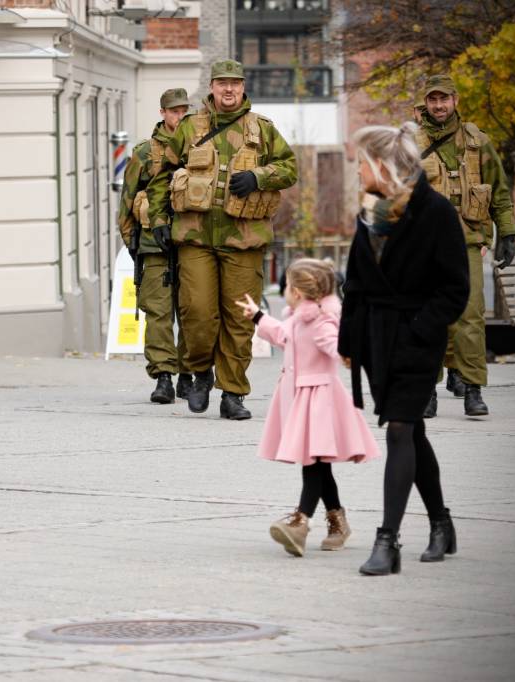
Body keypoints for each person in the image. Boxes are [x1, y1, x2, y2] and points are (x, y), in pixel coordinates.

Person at [339, 123, 469, 576]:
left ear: (381, 164)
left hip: (415, 339)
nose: (357, 170)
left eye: (361, 162)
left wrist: (420, 327)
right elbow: (354, 281)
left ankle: (387, 541)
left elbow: (456, 288)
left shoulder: (435, 211)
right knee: (411, 432)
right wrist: (348, 340)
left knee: (399, 429)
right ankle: (441, 522)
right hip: (376, 338)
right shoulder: (370, 212)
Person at [146, 59, 297, 420]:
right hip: (195, 238)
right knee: (197, 313)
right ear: (211, 87)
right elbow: (160, 176)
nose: (228, 90)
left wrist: (259, 177)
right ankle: (200, 372)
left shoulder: (262, 129)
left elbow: (290, 167)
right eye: (221, 84)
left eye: (235, 84)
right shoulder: (189, 128)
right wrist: (159, 219)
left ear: (243, 87)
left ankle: (232, 393)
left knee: (238, 319)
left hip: (244, 239)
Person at [237, 259, 379, 557]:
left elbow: (336, 345)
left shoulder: (322, 321)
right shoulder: (298, 318)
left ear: (298, 292)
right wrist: (258, 317)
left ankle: (300, 523)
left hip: (320, 401)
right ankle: (338, 522)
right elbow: (283, 336)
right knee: (317, 465)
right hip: (300, 399)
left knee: (313, 464)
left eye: (287, 286)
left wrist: (349, 350)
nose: (285, 291)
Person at [416, 75, 515, 418]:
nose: (439, 105)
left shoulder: (477, 142)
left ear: (456, 100)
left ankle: (473, 389)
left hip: (467, 242)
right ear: (425, 103)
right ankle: (427, 390)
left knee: (470, 316)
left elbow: (499, 192)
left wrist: (508, 233)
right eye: (433, 100)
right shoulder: (410, 143)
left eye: (444, 99)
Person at [117, 88, 191, 403]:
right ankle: (163, 375)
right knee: (158, 312)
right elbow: (127, 201)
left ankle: (189, 373)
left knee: (193, 311)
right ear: (163, 113)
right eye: (174, 111)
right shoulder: (145, 153)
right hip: (153, 245)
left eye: (184, 111)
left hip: (191, 242)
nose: (179, 116)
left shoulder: (199, 149)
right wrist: (132, 243)